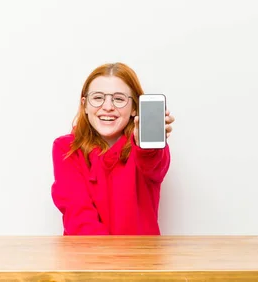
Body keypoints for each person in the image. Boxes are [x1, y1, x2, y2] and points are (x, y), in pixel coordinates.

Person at [50, 62, 174, 235]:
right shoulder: (66, 148)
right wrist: (108, 259)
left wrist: (146, 146)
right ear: (85, 105)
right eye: (98, 97)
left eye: (119, 99)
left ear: (134, 109)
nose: (108, 107)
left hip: (141, 259)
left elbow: (154, 165)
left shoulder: (146, 148)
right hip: (89, 257)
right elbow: (78, 214)